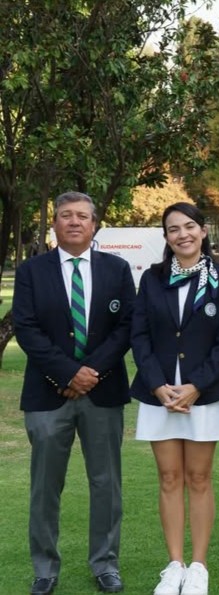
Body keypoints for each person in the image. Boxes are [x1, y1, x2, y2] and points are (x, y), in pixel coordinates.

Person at [13, 192, 135, 595]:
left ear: (94, 224)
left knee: (106, 484)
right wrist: (68, 373)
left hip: (103, 392)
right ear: (54, 224)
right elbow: (26, 327)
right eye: (65, 215)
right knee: (45, 487)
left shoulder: (117, 269)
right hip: (48, 395)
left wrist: (90, 373)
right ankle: (45, 570)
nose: (74, 221)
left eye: (82, 215)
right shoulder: (31, 271)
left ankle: (105, 564)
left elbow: (126, 327)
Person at [130, 203, 219, 595]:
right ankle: (174, 564)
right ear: (166, 237)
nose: (183, 234)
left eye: (189, 226)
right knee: (169, 477)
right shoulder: (152, 279)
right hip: (159, 395)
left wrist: (196, 385)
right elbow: (139, 336)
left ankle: (198, 566)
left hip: (203, 396)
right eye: (173, 229)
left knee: (199, 478)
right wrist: (157, 385)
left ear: (203, 231)